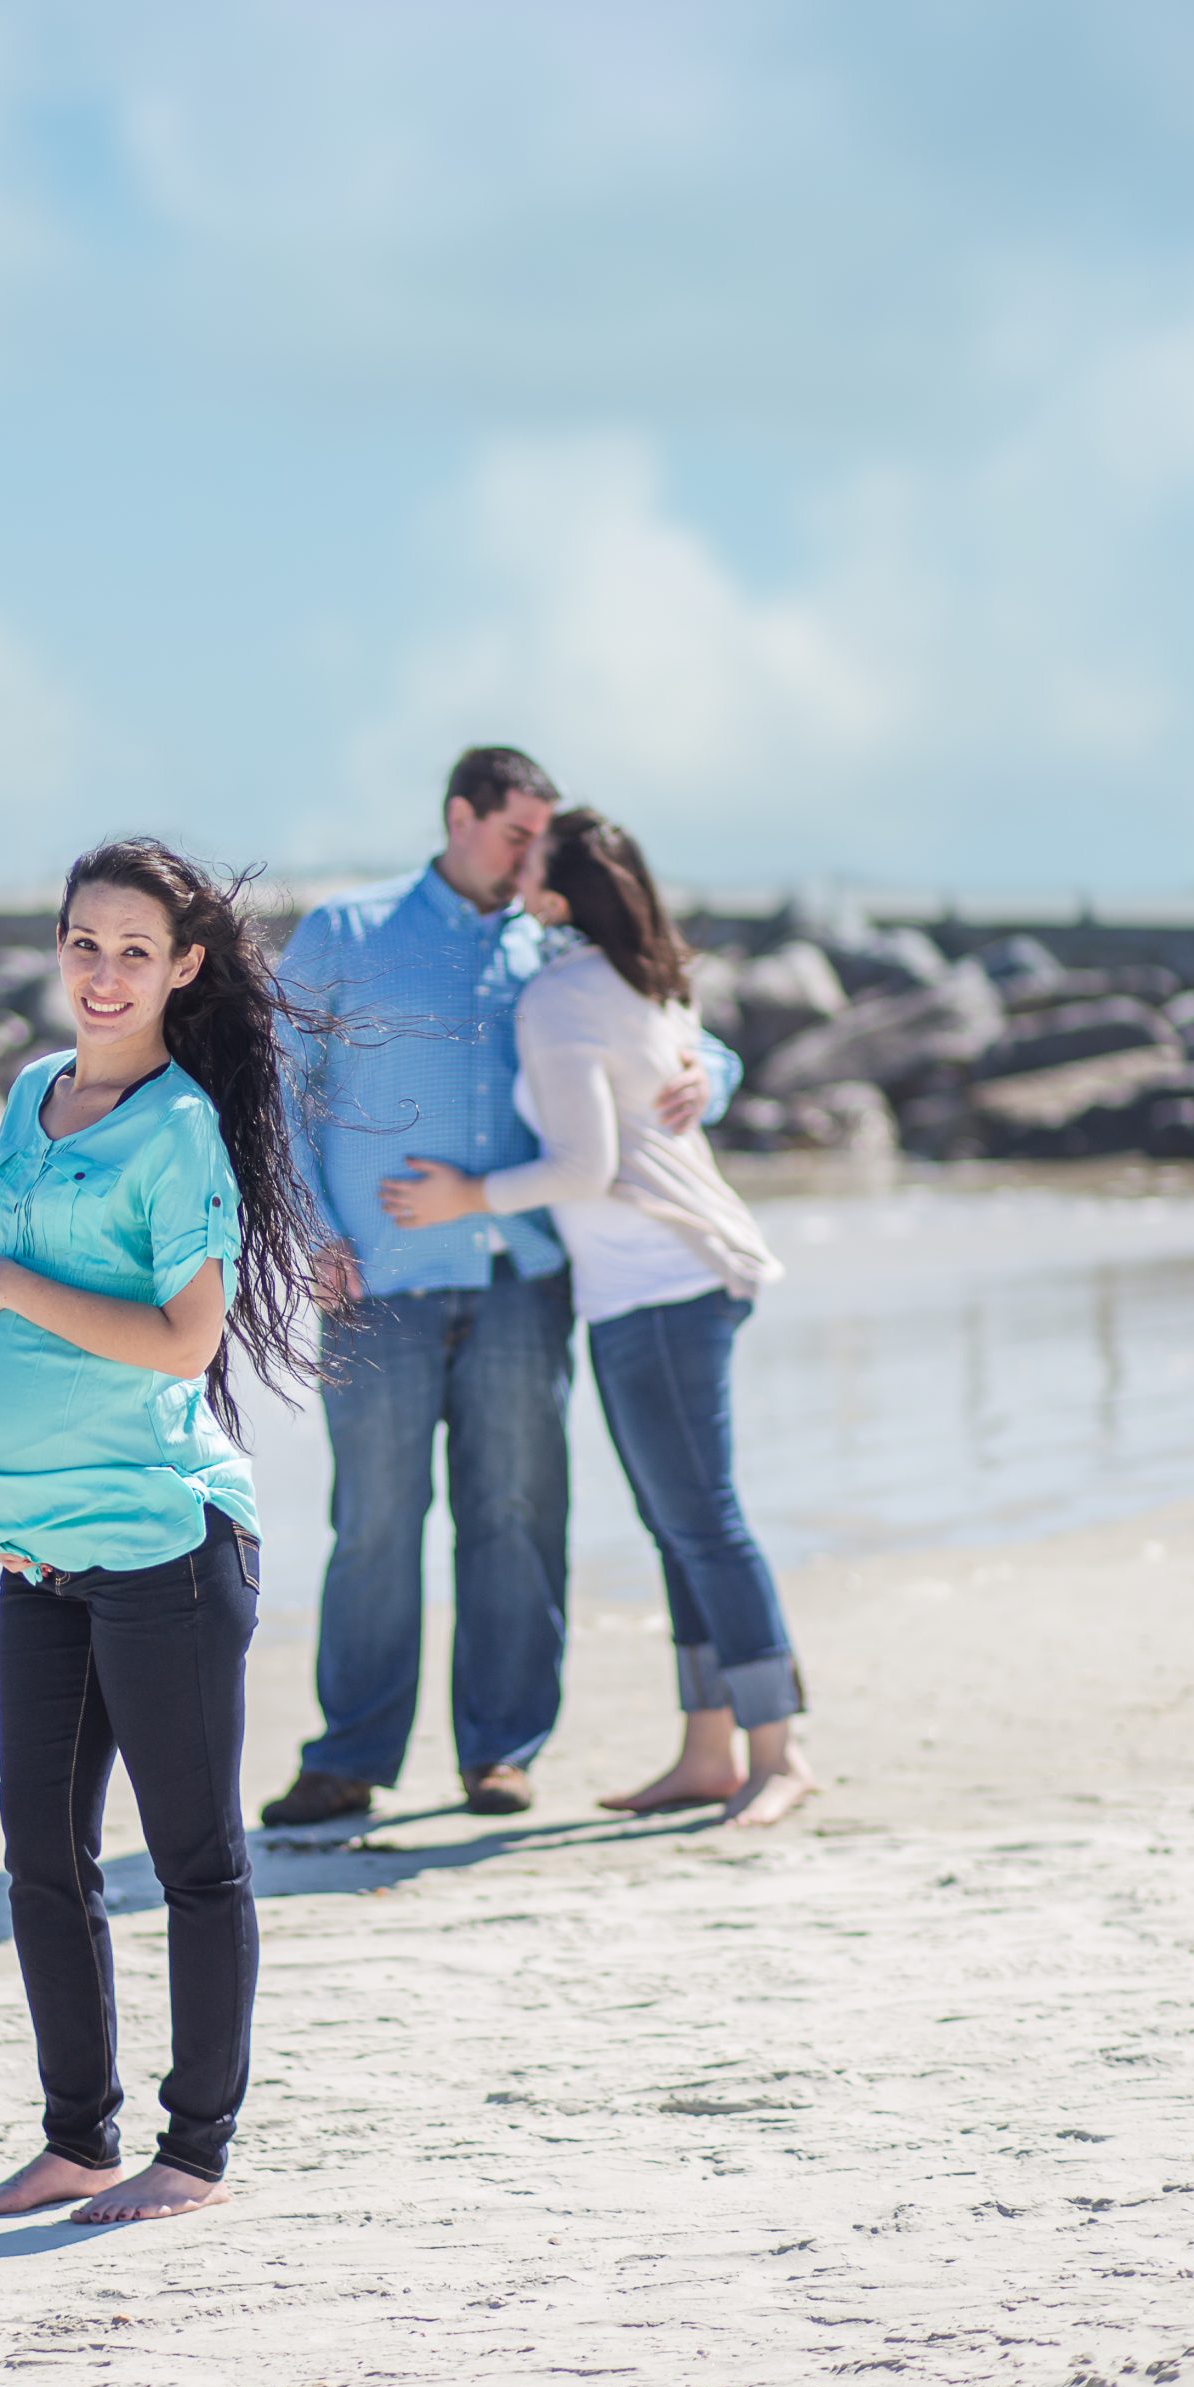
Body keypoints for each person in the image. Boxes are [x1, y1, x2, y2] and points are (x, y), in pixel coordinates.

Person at [0, 840, 324, 2224]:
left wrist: (5, 1292)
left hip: (164, 1545)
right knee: (40, 1853)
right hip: (41, 1554)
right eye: (84, 946)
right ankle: (76, 2138)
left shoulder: (178, 1132)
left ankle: (194, 2153)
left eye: (135, 953)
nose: (105, 976)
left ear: (184, 970)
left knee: (193, 1859)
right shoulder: (35, 1092)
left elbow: (182, 1342)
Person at [262, 746, 740, 1829]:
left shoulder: (558, 943)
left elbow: (692, 1038)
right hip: (374, 1280)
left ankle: (501, 1753)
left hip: (525, 1278)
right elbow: (276, 1089)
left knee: (517, 1518)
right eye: (516, 834)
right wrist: (310, 1231)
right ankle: (348, 1759)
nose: (533, 859)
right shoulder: (346, 931)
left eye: (544, 840)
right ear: (457, 816)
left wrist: (704, 1075)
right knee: (375, 1523)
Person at [381, 806, 814, 1828]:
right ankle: (708, 1753)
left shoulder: (561, 995)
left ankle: (779, 1754)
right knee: (679, 1526)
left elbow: (585, 1166)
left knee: (702, 1522)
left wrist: (463, 1199)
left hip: (657, 1283)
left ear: (557, 895)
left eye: (531, 861)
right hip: (663, 1279)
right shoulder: (636, 974)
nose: (515, 871)